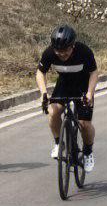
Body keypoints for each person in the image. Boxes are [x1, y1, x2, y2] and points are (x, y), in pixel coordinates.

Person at [36, 25, 99, 171]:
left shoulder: (84, 51)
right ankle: (59, 144)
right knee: (53, 112)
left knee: (84, 123)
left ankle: (88, 152)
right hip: (64, 84)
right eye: (58, 51)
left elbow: (94, 73)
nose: (62, 54)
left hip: (83, 86)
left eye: (65, 50)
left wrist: (89, 93)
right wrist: (43, 92)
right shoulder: (50, 52)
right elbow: (40, 72)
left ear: (73, 45)